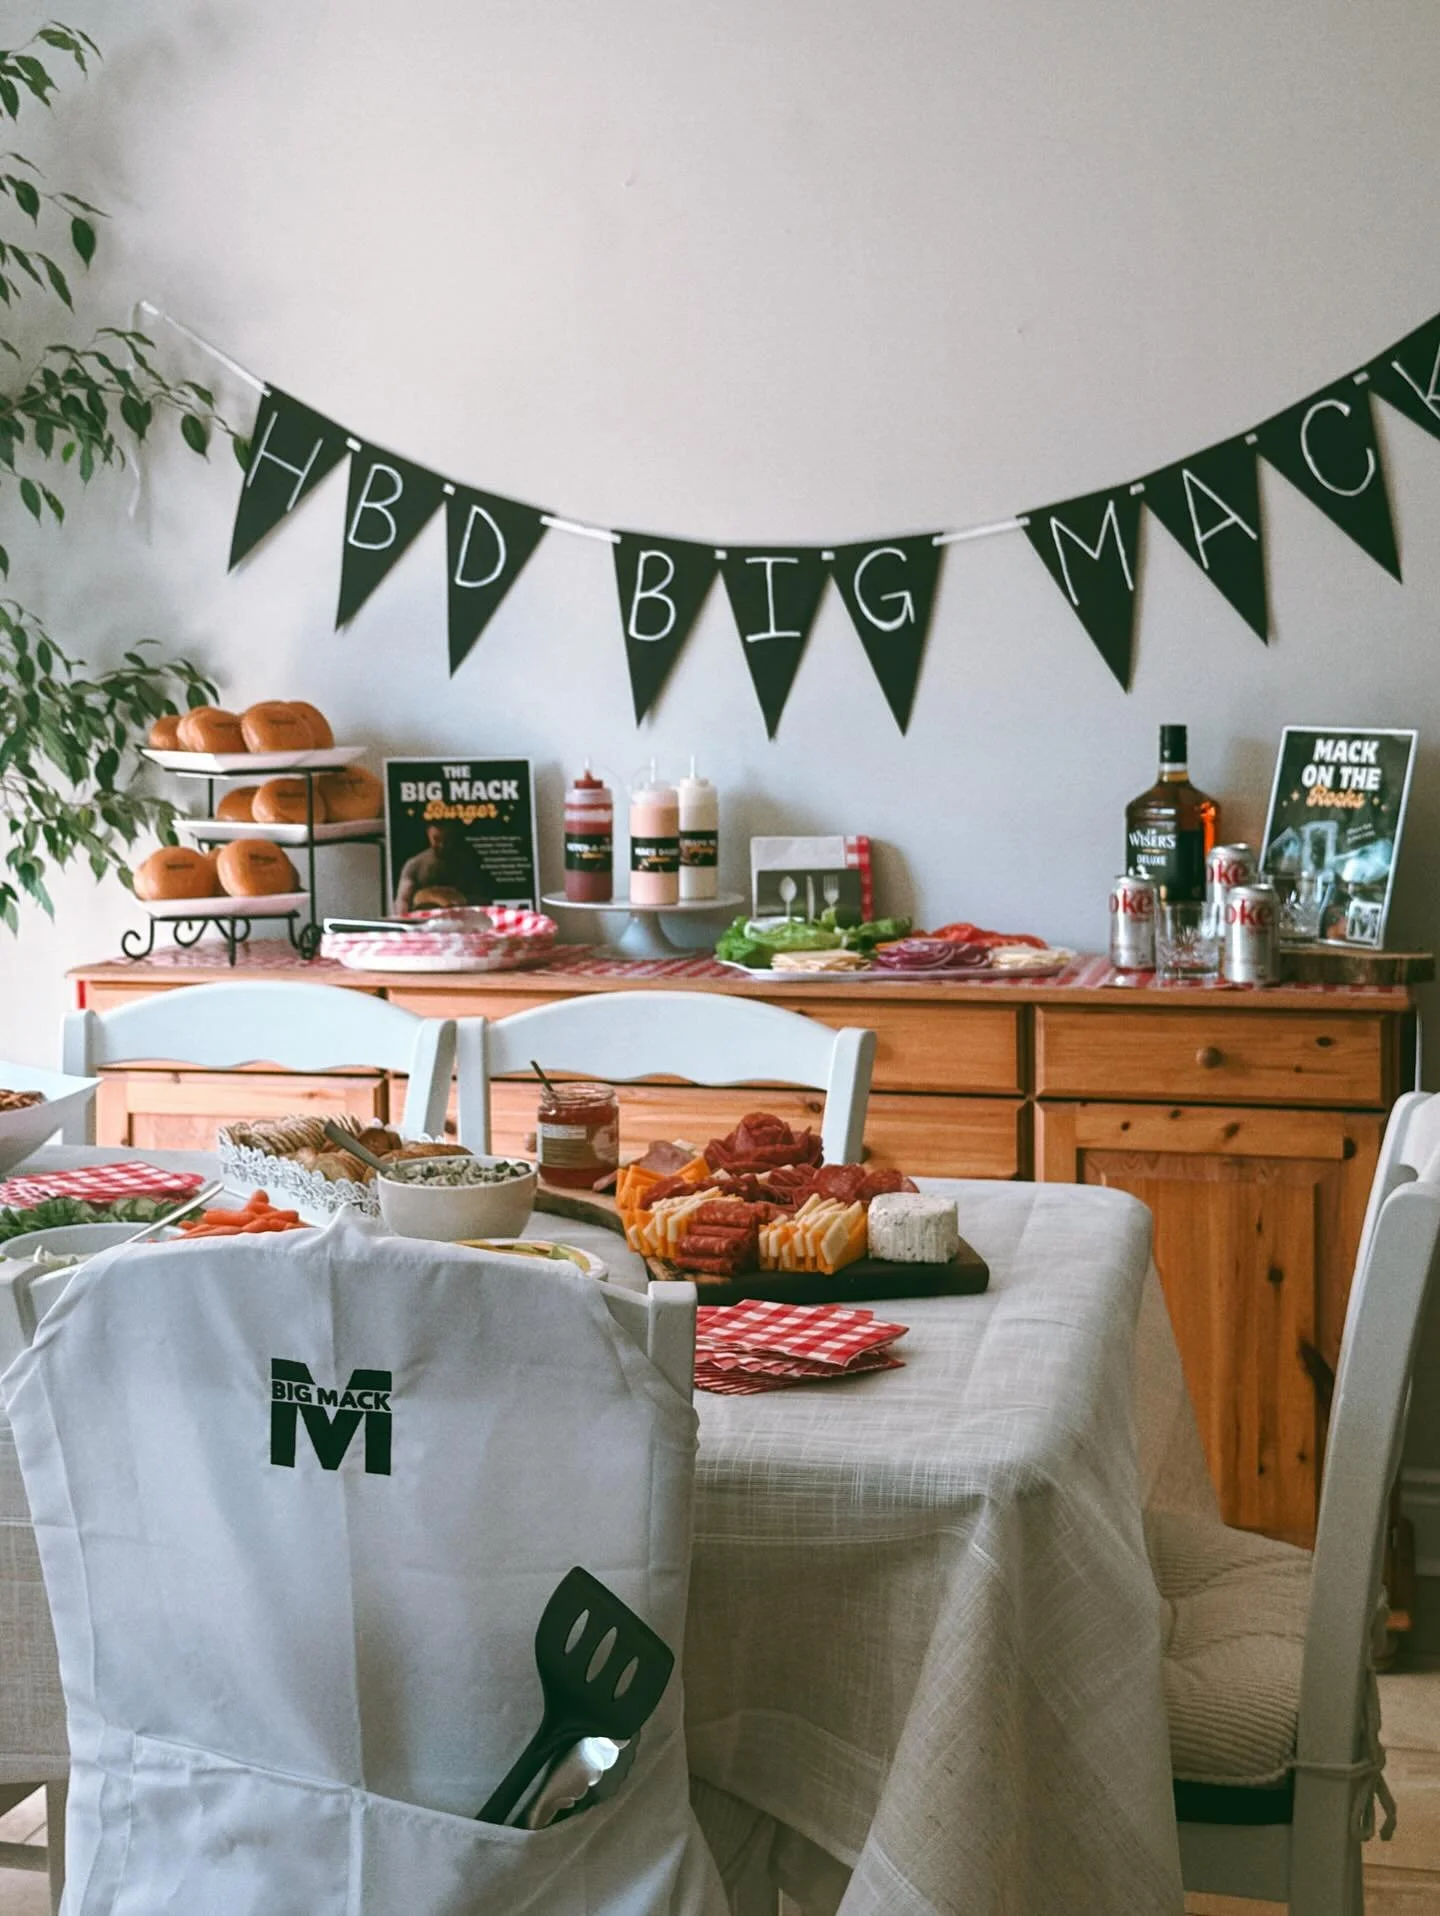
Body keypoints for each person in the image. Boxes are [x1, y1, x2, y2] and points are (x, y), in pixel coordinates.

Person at [394, 822, 487, 912]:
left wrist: (458, 899)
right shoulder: (414, 865)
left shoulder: (465, 863)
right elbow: (403, 900)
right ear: (428, 835)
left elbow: (481, 898)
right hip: (423, 921)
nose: (442, 845)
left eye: (447, 840)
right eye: (436, 839)